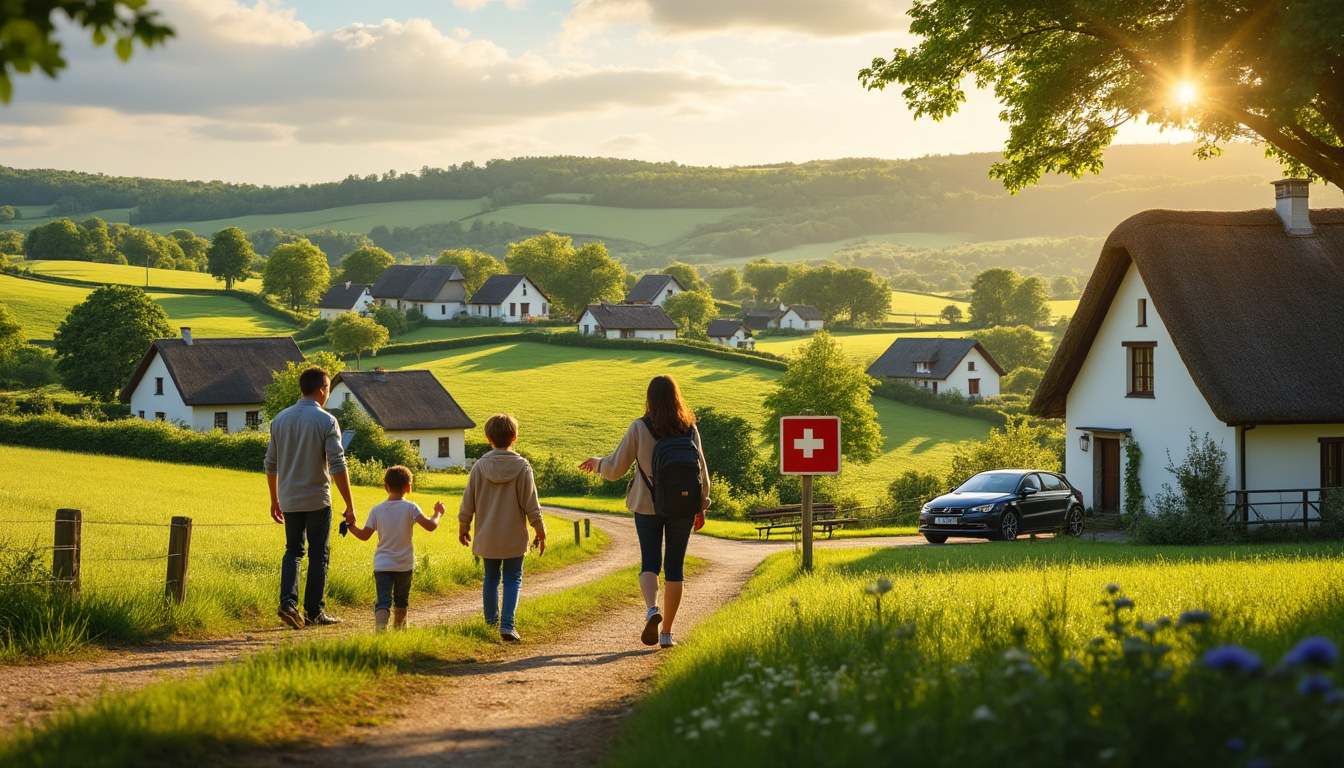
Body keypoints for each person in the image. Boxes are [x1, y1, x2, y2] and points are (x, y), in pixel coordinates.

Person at [580, 375, 710, 649]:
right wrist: (702, 505)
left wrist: (598, 463)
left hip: (646, 506)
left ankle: (652, 609)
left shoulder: (639, 427)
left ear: (649, 398)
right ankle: (667, 634)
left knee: (650, 563)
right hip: (683, 507)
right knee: (675, 568)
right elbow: (702, 473)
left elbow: (615, 469)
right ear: (677, 396)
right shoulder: (689, 428)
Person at [265, 366, 355, 630]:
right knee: (318, 555)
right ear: (321, 390)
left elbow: (271, 463)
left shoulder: (279, 419)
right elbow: (338, 464)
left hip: (289, 499)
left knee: (293, 551)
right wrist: (349, 504)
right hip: (317, 499)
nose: (327, 393)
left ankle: (288, 604)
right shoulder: (327, 421)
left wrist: (274, 500)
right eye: (328, 388)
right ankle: (315, 611)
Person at [459, 414, 547, 643]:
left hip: (487, 536)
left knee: (490, 578)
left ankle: (490, 623)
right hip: (514, 537)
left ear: (489, 438)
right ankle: (507, 625)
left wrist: (463, 525)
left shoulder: (479, 466)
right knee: (512, 578)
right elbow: (531, 504)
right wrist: (540, 530)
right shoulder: (522, 467)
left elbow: (468, 500)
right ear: (515, 437)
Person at [344, 465, 445, 632]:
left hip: (382, 565)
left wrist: (350, 526)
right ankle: (399, 634)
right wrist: (438, 513)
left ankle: (381, 634)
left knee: (383, 601)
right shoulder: (411, 508)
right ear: (408, 488)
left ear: (386, 486)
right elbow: (431, 526)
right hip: (404, 565)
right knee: (401, 602)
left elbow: (364, 535)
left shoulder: (377, 510)